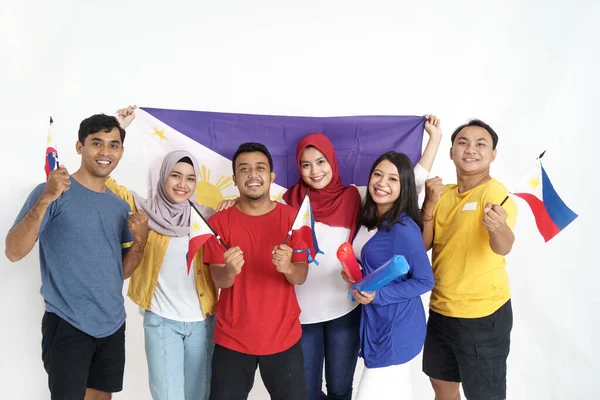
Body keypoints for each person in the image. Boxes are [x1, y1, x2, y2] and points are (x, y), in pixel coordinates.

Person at [281, 115, 442, 400]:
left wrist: (434, 140)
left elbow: (408, 182)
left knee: (343, 390)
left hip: (347, 311)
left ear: (333, 161)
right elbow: (255, 196)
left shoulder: (353, 197)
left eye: (321, 162)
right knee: (305, 391)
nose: (315, 170)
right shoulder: (289, 201)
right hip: (303, 311)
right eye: (306, 164)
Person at [4, 114, 148, 400]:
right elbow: (13, 251)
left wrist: (141, 241)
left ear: (121, 151)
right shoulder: (53, 192)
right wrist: (47, 197)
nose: (105, 152)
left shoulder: (119, 207)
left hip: (112, 323)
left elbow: (121, 272)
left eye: (114, 145)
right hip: (68, 322)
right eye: (97, 143)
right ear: (80, 147)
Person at [113, 106, 217, 400]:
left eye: (190, 178)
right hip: (160, 321)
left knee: (200, 395)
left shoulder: (207, 217)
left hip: (202, 322)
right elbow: (106, 182)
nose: (182, 184)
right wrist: (118, 128)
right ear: (163, 177)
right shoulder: (143, 209)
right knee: (167, 396)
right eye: (175, 176)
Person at [204, 142, 311, 400]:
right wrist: (229, 271)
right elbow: (218, 278)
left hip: (283, 337)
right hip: (232, 339)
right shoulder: (218, 222)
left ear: (271, 176)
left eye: (260, 168)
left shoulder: (294, 218)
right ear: (234, 179)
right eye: (244, 169)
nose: (253, 174)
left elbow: (301, 275)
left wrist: (287, 268)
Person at [421, 119, 517, 400]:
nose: (471, 149)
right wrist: (428, 204)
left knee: (484, 394)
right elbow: (424, 244)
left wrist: (498, 228)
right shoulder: (443, 194)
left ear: (493, 154)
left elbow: (504, 247)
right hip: (441, 310)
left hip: (482, 315)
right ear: (451, 152)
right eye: (463, 142)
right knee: (442, 385)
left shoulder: (496, 193)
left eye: (481, 144)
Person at [347, 151, 435, 399]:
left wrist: (378, 294)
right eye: (377, 174)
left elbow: (425, 280)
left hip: (398, 327)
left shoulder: (404, 228)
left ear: (405, 186)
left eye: (393, 179)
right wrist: (356, 274)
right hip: (376, 323)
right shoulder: (369, 219)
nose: (382, 183)